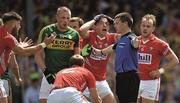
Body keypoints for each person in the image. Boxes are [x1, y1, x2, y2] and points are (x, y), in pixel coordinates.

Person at [0, 11, 56, 103]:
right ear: (11, 24)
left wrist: (19, 46)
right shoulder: (8, 37)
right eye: (18, 24)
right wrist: (44, 44)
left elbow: (20, 52)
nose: (20, 27)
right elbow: (24, 52)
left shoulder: (6, 36)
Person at [35, 6, 80, 103]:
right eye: (63, 18)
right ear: (57, 17)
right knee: (43, 101)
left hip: (67, 76)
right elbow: (38, 55)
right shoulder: (46, 31)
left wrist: (74, 75)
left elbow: (77, 58)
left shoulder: (74, 34)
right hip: (49, 74)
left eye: (68, 18)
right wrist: (46, 73)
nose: (66, 21)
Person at [92, 12, 140, 103]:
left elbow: (135, 43)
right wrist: (98, 52)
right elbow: (112, 47)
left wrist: (136, 43)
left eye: (117, 23)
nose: (115, 25)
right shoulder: (121, 39)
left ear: (125, 23)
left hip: (130, 77)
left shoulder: (131, 37)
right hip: (120, 77)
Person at [137, 14, 179, 103]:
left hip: (150, 83)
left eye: (148, 26)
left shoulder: (160, 44)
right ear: (140, 26)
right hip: (134, 80)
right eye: (143, 26)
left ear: (153, 28)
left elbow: (175, 60)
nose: (145, 28)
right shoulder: (134, 41)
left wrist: (160, 71)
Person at [79, 14, 117, 103]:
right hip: (86, 81)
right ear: (94, 26)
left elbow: (125, 36)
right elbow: (81, 30)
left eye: (107, 24)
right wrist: (94, 19)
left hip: (101, 81)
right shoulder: (91, 35)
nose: (105, 25)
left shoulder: (111, 37)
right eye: (101, 23)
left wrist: (116, 23)